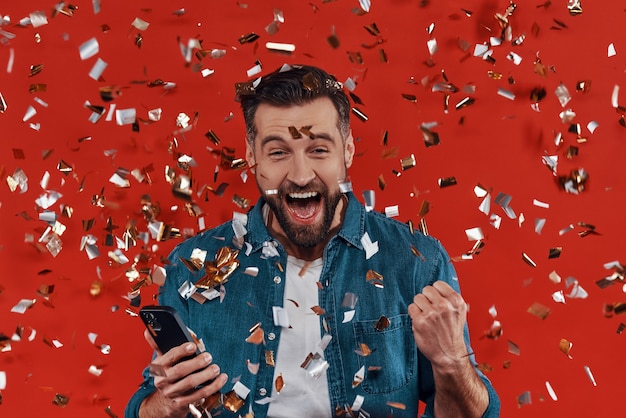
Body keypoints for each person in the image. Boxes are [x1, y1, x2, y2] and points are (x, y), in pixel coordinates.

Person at [125, 64, 500, 418]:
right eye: (278, 152)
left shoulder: (417, 261)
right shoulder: (195, 264)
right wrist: (169, 403)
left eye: (318, 149)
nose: (301, 175)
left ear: (348, 150)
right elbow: (148, 405)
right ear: (252, 156)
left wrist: (453, 363)